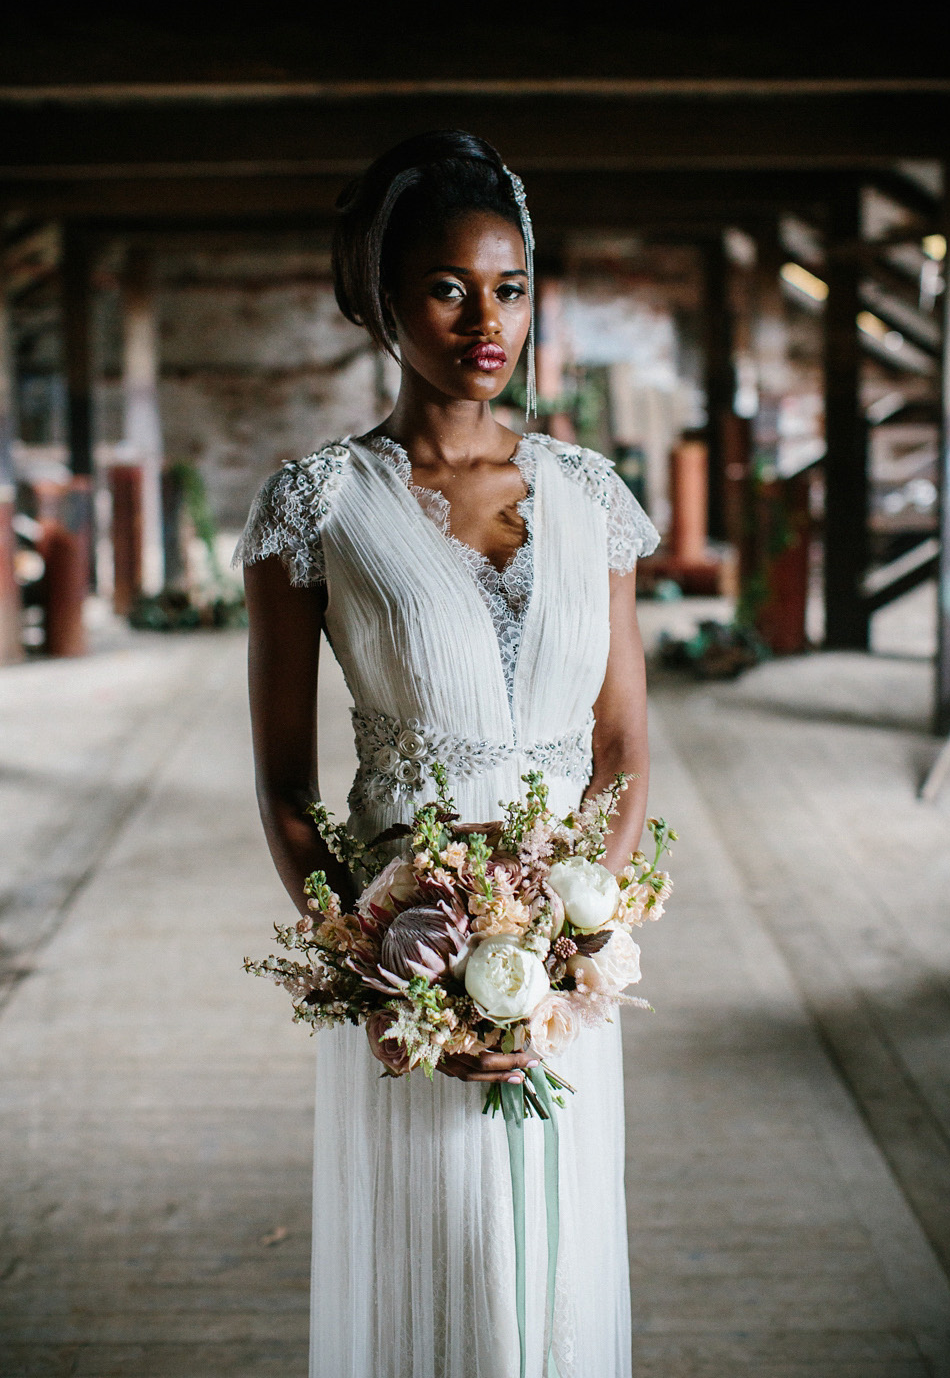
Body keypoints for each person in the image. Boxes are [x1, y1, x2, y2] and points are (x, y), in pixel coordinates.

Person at [235, 129, 659, 1378]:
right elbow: (280, 779)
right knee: (446, 1253)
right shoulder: (316, 503)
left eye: (512, 286)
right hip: (405, 960)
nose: (489, 320)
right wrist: (374, 955)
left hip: (568, 969)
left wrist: (579, 934)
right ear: (383, 299)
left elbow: (624, 743)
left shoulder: (592, 495)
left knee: (555, 1259)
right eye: (448, 287)